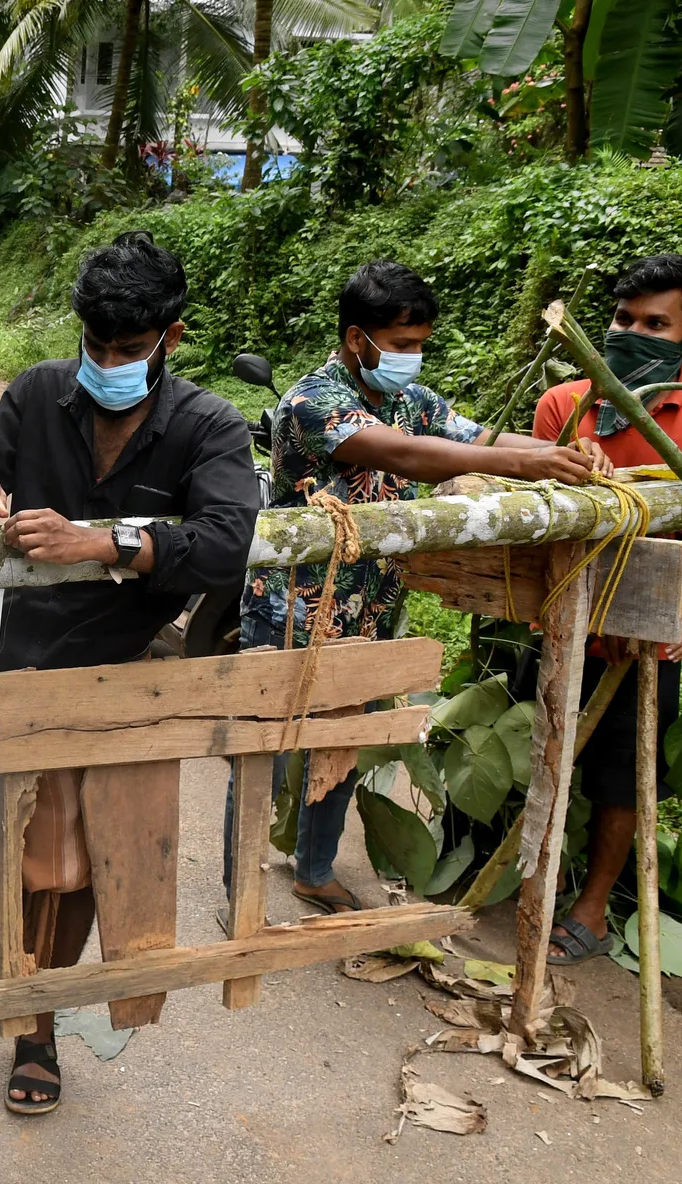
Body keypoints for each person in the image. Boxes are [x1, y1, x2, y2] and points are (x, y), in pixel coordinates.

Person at [0, 230, 262, 1114]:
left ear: (170, 339)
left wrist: (105, 540)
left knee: (66, 867)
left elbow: (228, 542)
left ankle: (35, 1028)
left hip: (111, 677)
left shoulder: (208, 425)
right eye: (97, 346)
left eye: (128, 350)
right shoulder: (40, 393)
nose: (108, 363)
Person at [230, 260, 604, 919]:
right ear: (356, 339)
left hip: (373, 605)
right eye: (403, 345)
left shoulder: (417, 401)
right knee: (263, 750)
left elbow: (477, 438)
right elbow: (404, 455)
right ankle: (240, 881)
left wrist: (566, 454)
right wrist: (526, 461)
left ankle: (315, 872)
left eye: (420, 344)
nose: (414, 357)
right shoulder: (310, 403)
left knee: (344, 741)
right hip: (292, 609)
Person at [531, 253, 682, 965]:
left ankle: (592, 908)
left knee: (628, 772)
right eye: (624, 319)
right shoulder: (564, 406)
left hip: (648, 630)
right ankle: (528, 873)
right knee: (543, 749)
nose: (633, 332)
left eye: (656, 323)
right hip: (562, 614)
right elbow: (528, 517)